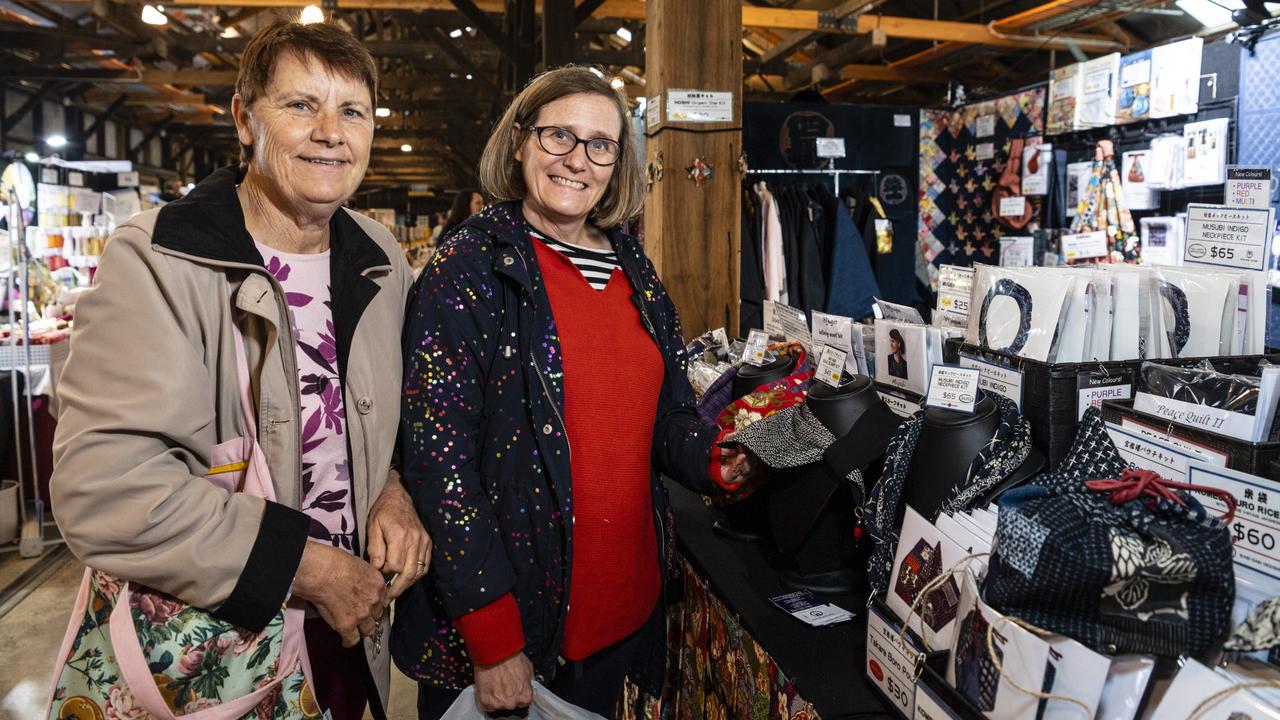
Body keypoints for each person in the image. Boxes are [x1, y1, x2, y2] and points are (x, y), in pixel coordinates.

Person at [49, 20, 429, 720]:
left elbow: (392, 417)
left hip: (347, 640)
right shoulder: (161, 259)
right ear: (245, 119)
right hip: (219, 655)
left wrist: (395, 489)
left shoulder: (381, 259)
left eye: (352, 111)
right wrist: (310, 567)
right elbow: (103, 491)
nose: (330, 131)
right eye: (300, 105)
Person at [394, 66, 759, 718]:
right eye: (558, 135)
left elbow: (666, 409)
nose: (577, 159)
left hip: (621, 609)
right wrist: (492, 635)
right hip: (517, 625)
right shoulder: (472, 265)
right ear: (519, 142)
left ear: (618, 163)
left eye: (600, 144)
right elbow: (437, 461)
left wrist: (712, 456)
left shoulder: (632, 265)